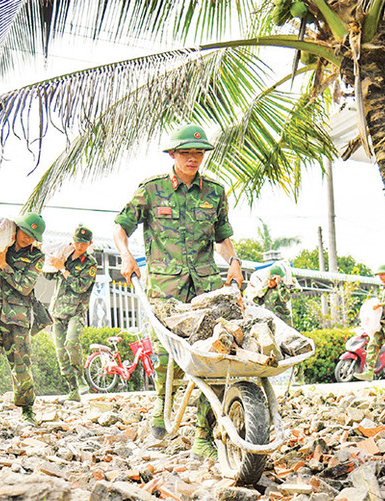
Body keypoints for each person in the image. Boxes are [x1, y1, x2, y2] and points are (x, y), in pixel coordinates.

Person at [113, 123, 244, 461]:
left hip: (203, 288)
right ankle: (161, 408)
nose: (193, 158)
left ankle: (203, 435)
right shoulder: (151, 191)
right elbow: (120, 227)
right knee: (164, 354)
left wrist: (233, 262)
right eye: (186, 152)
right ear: (173, 155)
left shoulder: (214, 192)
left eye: (198, 153)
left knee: (211, 357)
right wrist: (126, 254)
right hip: (164, 287)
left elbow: (222, 237)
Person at [0, 213, 46, 432]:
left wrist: (2, 263)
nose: (28, 238)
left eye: (33, 236)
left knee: (21, 369)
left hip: (17, 319)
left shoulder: (36, 258)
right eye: (26, 232)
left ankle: (27, 412)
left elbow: (25, 286)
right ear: (17, 228)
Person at [44, 225, 97, 402]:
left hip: (76, 311)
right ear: (72, 241)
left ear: (89, 243)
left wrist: (63, 269)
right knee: (60, 353)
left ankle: (80, 377)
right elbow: (49, 276)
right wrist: (52, 261)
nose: (80, 246)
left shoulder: (90, 263)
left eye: (84, 243)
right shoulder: (64, 256)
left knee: (71, 343)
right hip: (58, 311)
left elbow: (80, 286)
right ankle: (72, 388)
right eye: (77, 242)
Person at [355, 264, 385, 381]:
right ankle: (369, 372)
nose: (381, 277)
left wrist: (380, 304)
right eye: (380, 275)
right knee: (373, 344)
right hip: (382, 322)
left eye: (383, 274)